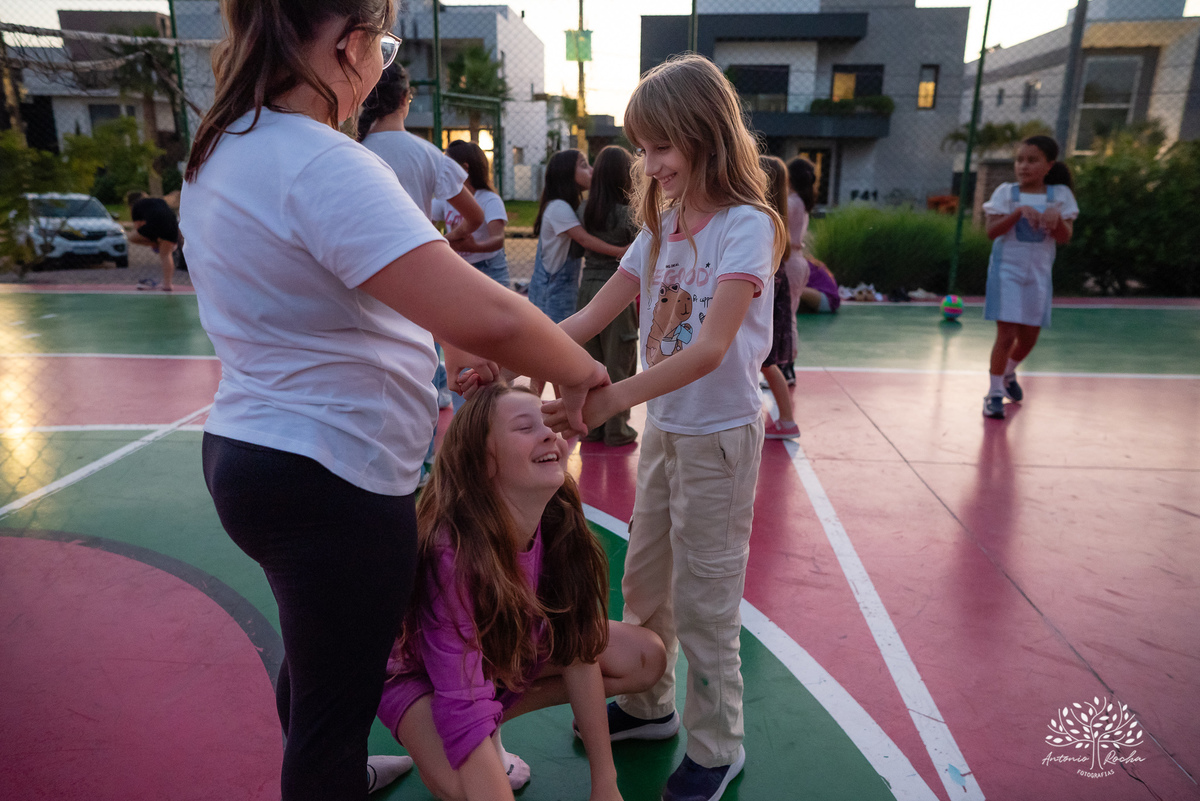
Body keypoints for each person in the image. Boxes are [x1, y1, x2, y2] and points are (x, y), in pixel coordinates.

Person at [178, 2, 608, 799]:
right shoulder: (318, 160)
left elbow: (347, 289)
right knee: (332, 710)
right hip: (330, 476)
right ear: (349, 46)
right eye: (384, 43)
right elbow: (487, 308)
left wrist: (442, 343)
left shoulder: (225, 149)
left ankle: (333, 764)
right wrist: (581, 371)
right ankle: (328, 773)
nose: (382, 62)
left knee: (320, 660)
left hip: (254, 453)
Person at [543, 54, 788, 801]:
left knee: (709, 599)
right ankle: (649, 706)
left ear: (705, 135)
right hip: (666, 434)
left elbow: (712, 349)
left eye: (660, 146)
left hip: (718, 439)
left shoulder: (745, 228)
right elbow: (588, 318)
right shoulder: (659, 231)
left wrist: (610, 398)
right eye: (643, 148)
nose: (650, 164)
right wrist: (510, 349)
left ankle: (719, 746)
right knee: (643, 582)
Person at [376, 383, 667, 801]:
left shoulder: (559, 516)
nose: (550, 434)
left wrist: (606, 785)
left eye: (549, 423)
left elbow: (578, 648)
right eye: (525, 428)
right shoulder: (452, 555)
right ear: (483, 462)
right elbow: (462, 698)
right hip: (421, 675)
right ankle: (472, 729)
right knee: (462, 788)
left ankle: (492, 717)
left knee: (646, 657)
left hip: (498, 650)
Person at [981, 135, 1078, 420]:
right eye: (1019, 160)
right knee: (1006, 334)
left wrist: (1055, 219)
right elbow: (991, 232)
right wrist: (1019, 213)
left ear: (1049, 165)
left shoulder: (1060, 197)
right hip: (1006, 272)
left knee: (1028, 339)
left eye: (1032, 160)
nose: (1023, 166)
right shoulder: (1005, 193)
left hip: (1037, 276)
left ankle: (1009, 373)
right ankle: (994, 394)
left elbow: (1064, 238)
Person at [359, 63, 484, 238]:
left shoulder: (354, 151)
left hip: (365, 260)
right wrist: (446, 241)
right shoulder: (429, 155)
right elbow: (476, 217)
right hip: (416, 256)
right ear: (404, 98)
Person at [578, 145, 640, 446]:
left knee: (590, 360)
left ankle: (592, 426)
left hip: (587, 287)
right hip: (616, 291)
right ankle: (617, 429)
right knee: (620, 361)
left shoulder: (583, 210)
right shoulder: (629, 214)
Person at [529, 149, 627, 324]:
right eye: (584, 165)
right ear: (566, 174)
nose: (592, 170)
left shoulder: (569, 206)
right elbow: (584, 240)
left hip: (562, 290)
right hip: (551, 295)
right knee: (558, 343)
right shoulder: (559, 208)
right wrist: (622, 251)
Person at [758, 156, 800, 440]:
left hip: (770, 287)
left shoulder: (763, 219)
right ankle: (786, 419)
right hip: (775, 284)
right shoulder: (774, 217)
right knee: (766, 361)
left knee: (766, 361)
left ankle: (787, 420)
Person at [434, 140, 510, 288]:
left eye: (448, 164)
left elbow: (498, 238)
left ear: (464, 168)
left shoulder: (489, 199)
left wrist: (474, 247)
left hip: (489, 269)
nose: (443, 170)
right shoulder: (445, 198)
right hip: (459, 267)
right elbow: (426, 223)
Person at [782, 157, 816, 385]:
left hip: (789, 260)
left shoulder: (791, 202)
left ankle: (784, 367)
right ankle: (788, 367)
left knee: (784, 315)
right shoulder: (802, 203)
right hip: (798, 260)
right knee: (790, 314)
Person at [126, 191, 179, 291]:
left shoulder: (136, 206)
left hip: (155, 226)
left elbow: (138, 228)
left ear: (130, 204)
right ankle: (168, 285)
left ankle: (155, 243)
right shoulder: (159, 201)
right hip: (172, 225)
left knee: (131, 237)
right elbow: (167, 214)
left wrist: (150, 241)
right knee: (166, 255)